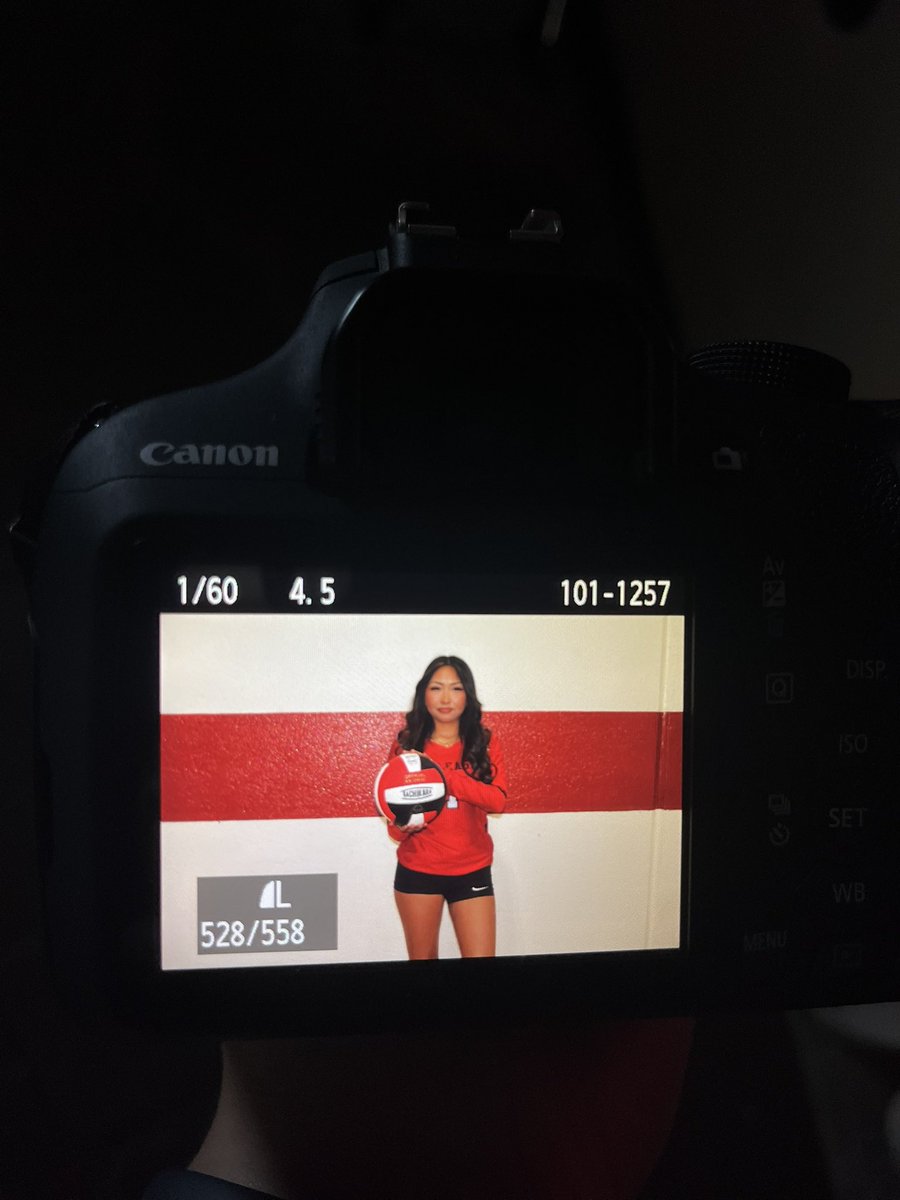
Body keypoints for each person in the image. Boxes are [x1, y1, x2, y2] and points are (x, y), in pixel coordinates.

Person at [386, 655, 507, 960]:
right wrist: (404, 825)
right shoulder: (406, 748)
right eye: (436, 688)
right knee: (423, 967)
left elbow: (498, 801)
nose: (445, 698)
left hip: (472, 869)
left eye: (455, 689)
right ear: (423, 694)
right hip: (418, 871)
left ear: (468, 695)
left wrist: (447, 778)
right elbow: (394, 827)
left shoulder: (484, 743)